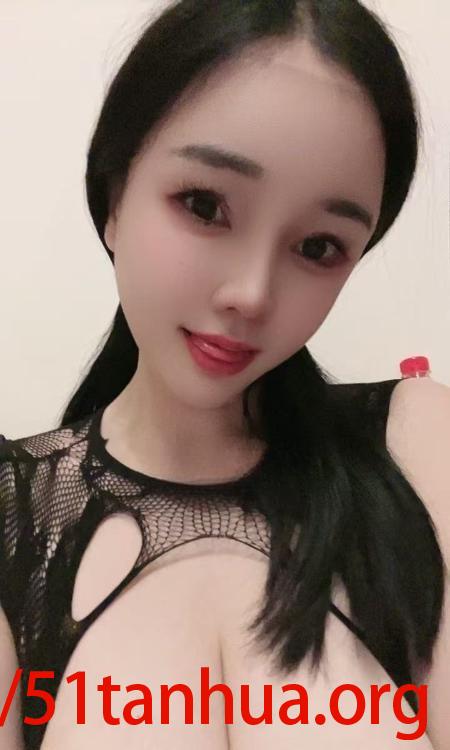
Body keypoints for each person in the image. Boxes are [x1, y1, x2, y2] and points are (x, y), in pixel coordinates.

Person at [0, 1, 447, 748]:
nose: (252, 294)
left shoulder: (416, 444)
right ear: (113, 200)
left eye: (319, 246)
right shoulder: (13, 515)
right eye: (204, 205)